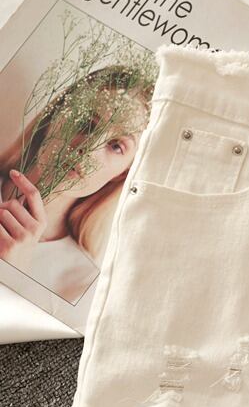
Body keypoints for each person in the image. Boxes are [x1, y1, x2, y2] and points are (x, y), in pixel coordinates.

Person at [0, 65, 154, 303]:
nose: (88, 148)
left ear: (122, 174)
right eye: (87, 122)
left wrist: (11, 278)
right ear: (56, 115)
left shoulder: (84, 285)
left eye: (116, 146)